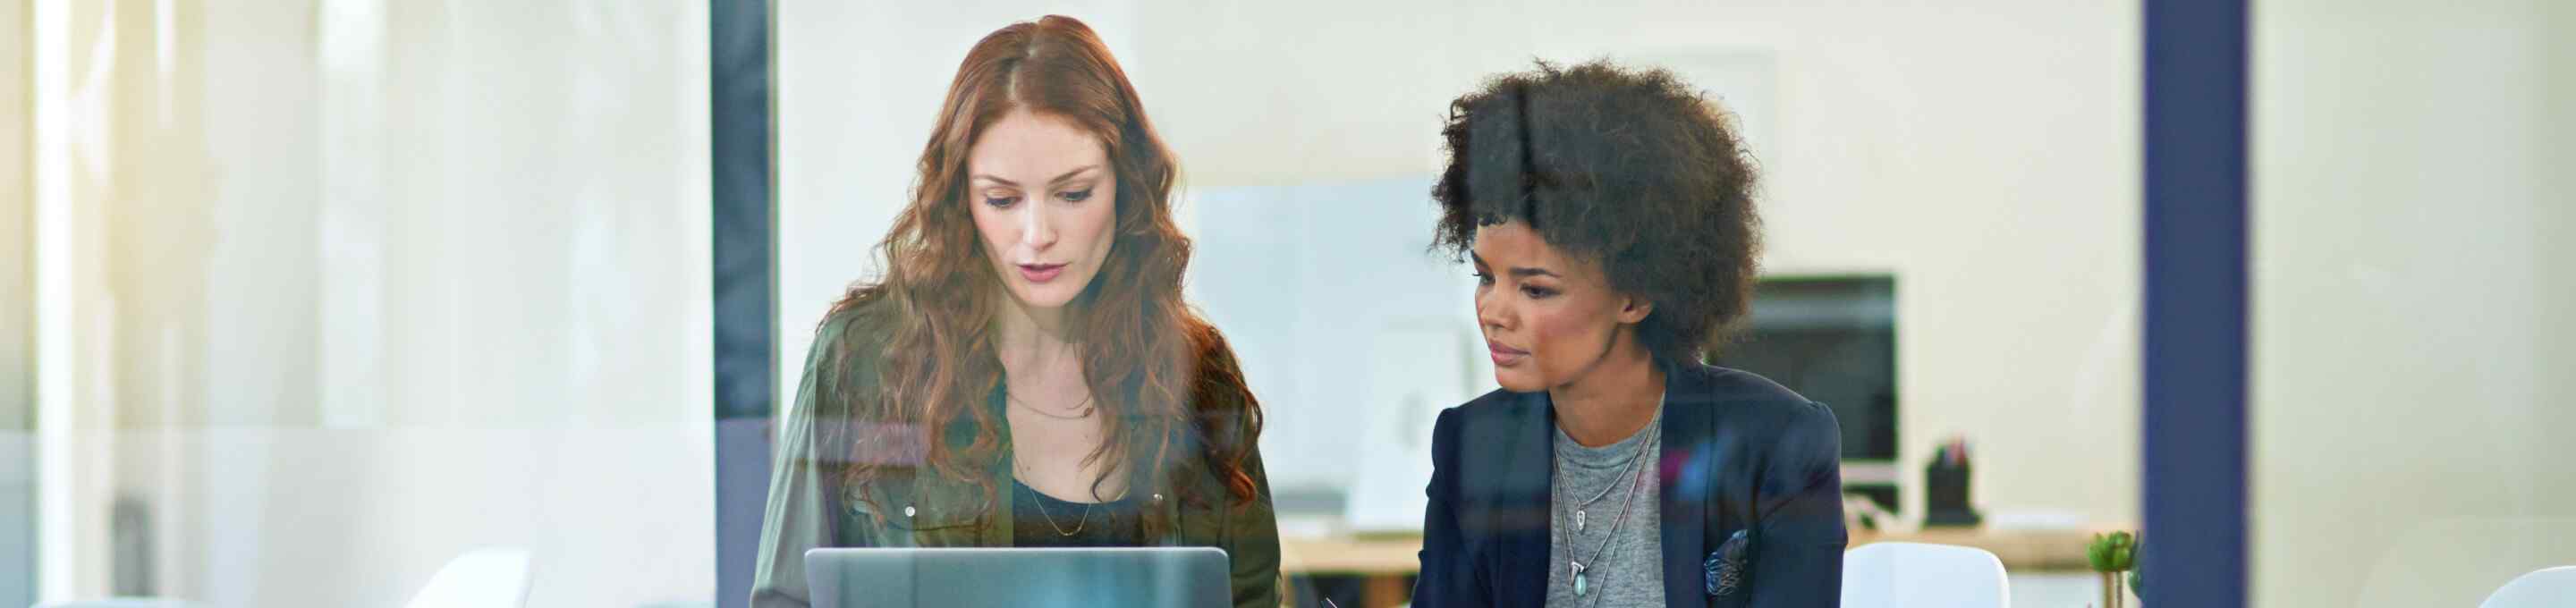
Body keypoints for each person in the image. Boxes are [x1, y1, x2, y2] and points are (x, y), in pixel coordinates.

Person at [750, 15, 1278, 608]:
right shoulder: (863, 358)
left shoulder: (1196, 372)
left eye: (1074, 193)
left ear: (1125, 186)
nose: (1036, 234)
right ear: (959, 199)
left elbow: (1252, 596)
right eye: (1001, 199)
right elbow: (785, 599)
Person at [1411, 60, 1846, 607]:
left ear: (1636, 295)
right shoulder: (1471, 446)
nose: (1493, 310)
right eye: (1485, 277)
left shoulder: (1777, 444)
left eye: (1536, 289)